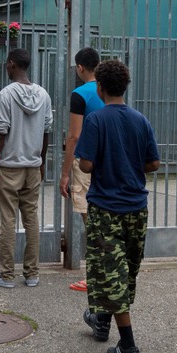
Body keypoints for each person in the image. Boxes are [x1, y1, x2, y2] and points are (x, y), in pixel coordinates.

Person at [75, 60, 160, 353]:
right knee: (124, 273)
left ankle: (128, 347)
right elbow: (153, 164)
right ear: (126, 86)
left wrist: (101, 161)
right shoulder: (140, 120)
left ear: (100, 87)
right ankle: (100, 320)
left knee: (112, 276)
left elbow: (85, 164)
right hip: (137, 209)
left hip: (106, 208)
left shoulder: (96, 120)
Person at [0, 48, 53, 289]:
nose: (6, 68)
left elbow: (0, 132)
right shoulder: (43, 95)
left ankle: (6, 275)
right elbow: (46, 132)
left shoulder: (6, 95)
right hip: (33, 166)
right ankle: (32, 274)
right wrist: (42, 160)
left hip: (9, 165)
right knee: (31, 219)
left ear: (13, 64)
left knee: (7, 219)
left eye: (7, 64)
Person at [58, 47, 105, 292]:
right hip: (107, 161)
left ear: (80, 68)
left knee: (91, 222)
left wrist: (65, 173)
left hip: (86, 162)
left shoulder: (80, 94)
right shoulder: (109, 90)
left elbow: (74, 137)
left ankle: (95, 276)